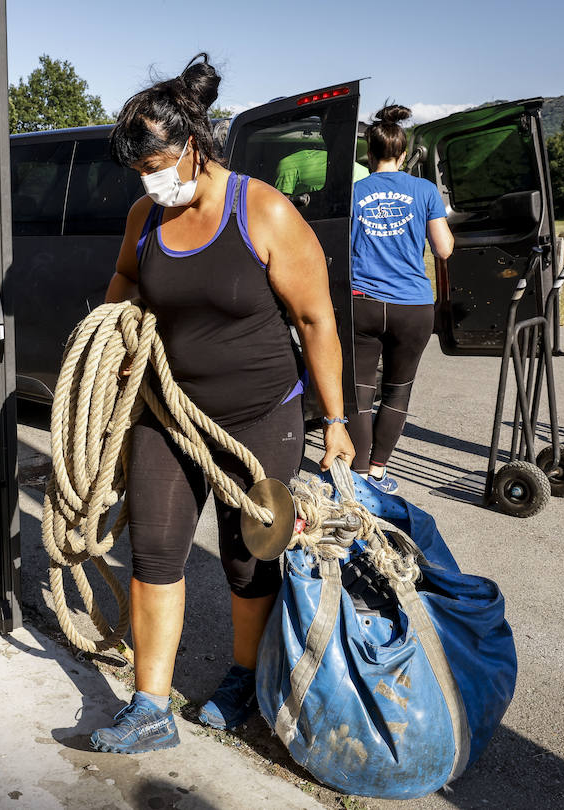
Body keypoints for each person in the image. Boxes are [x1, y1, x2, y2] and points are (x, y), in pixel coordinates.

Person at [89, 53, 355, 754]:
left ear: (197, 146)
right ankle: (149, 707)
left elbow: (316, 320)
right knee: (154, 553)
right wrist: (107, 336)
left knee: (248, 560)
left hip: (260, 417)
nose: (149, 178)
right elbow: (123, 277)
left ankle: (245, 679)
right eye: (140, 168)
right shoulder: (145, 216)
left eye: (157, 162)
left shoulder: (263, 210)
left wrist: (336, 421)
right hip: (169, 414)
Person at [345, 104, 454, 494]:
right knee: (397, 390)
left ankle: (356, 473)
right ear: (403, 154)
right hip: (412, 306)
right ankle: (377, 471)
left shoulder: (353, 192)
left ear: (368, 154)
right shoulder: (423, 190)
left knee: (359, 392)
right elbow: (443, 249)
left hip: (363, 304)